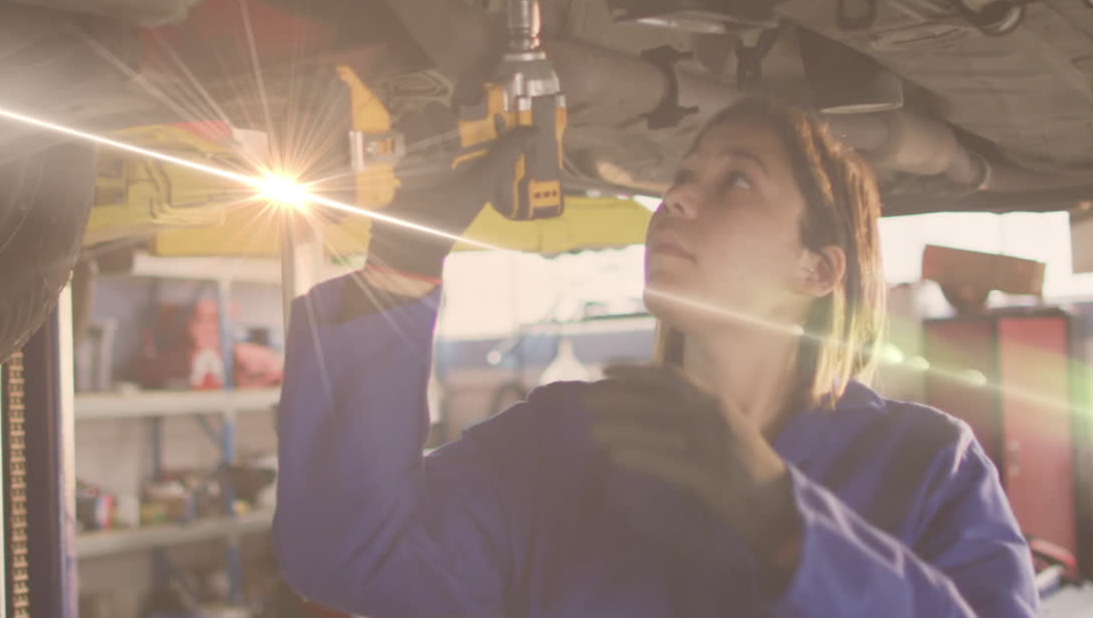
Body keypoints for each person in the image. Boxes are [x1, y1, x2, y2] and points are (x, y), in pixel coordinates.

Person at [274, 98, 1040, 617]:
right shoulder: (561, 442)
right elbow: (351, 558)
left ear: (820, 269)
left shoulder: (928, 466)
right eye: (680, 178)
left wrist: (783, 520)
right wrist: (403, 257)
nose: (672, 201)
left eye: (735, 181)